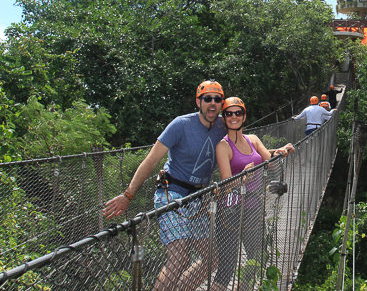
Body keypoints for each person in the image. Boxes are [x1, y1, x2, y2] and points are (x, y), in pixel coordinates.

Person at [102, 80, 228, 291]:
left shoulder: (223, 125)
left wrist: (269, 153)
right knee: (180, 256)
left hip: (199, 199)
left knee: (211, 259)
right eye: (208, 99)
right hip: (172, 194)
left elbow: (245, 143)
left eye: (217, 99)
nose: (212, 103)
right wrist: (128, 195)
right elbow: (151, 161)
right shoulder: (181, 124)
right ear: (199, 101)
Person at [213, 97, 294, 291]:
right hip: (230, 212)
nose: (234, 117)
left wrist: (282, 151)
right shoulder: (222, 146)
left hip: (253, 208)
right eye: (229, 113)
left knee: (256, 259)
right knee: (227, 267)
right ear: (223, 118)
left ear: (244, 115)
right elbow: (225, 184)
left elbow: (270, 161)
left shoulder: (253, 140)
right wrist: (243, 178)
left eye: (237, 113)